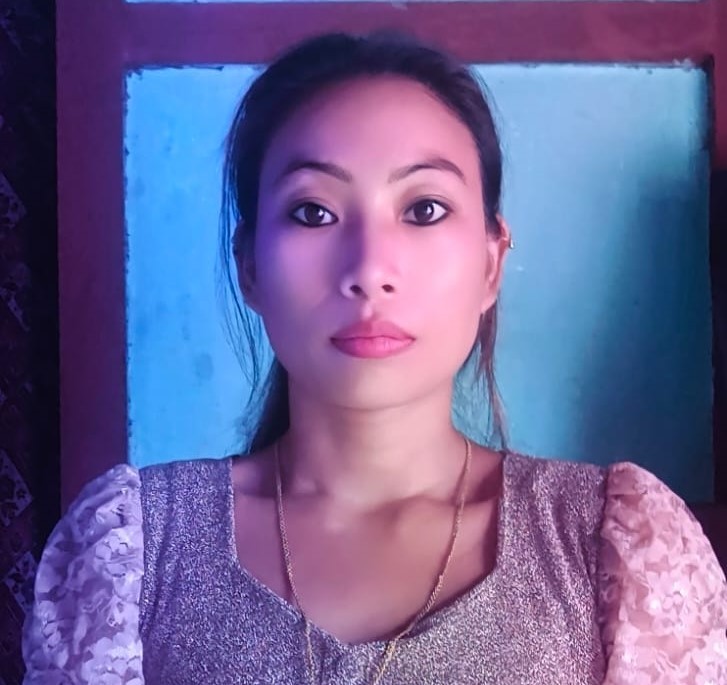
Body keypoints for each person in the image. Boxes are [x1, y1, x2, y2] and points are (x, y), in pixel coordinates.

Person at [23, 31, 727, 685]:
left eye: (423, 209)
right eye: (313, 212)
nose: (368, 269)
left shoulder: (616, 551)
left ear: (490, 262)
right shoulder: (133, 555)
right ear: (249, 267)